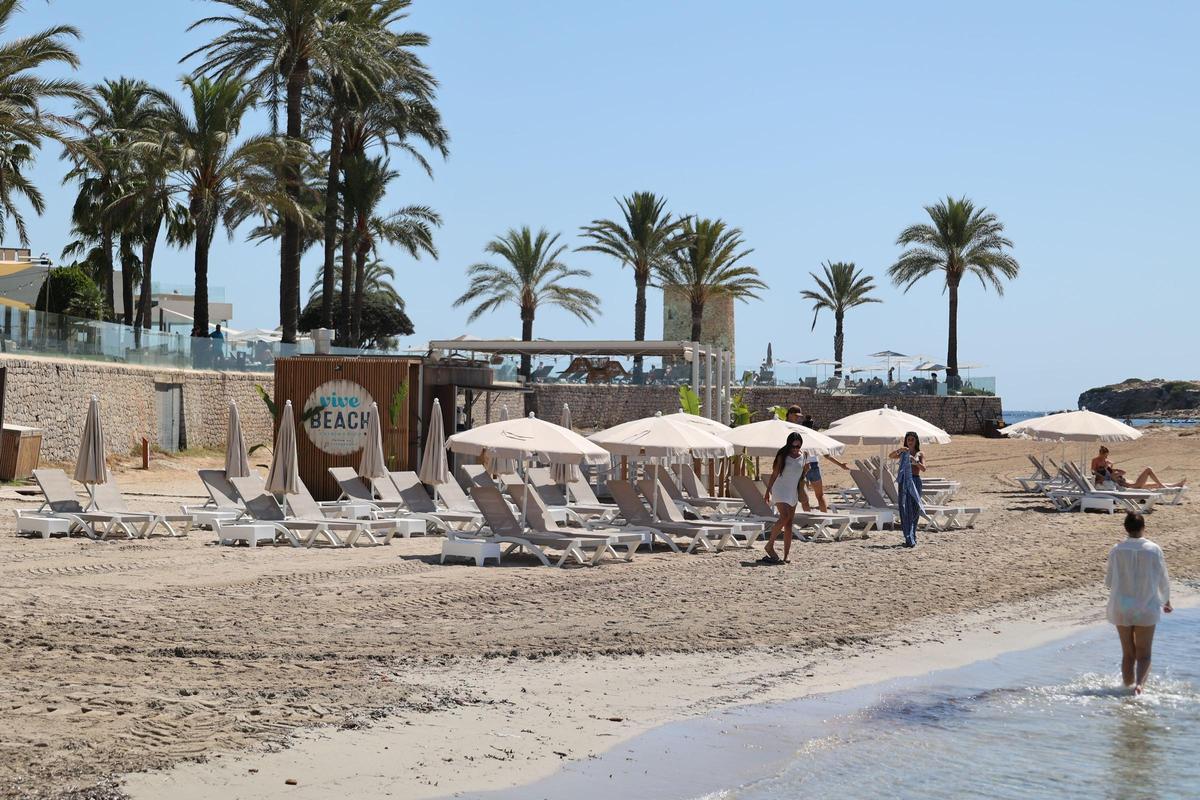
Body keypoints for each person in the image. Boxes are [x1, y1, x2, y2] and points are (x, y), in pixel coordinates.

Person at [1106, 512, 1172, 694]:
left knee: (1128, 654)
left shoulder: (1117, 549)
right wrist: (1166, 600)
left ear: (1126, 529)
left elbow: (1109, 581)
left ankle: (1126, 690)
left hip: (1122, 607)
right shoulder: (1154, 549)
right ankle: (1139, 686)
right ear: (1144, 527)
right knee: (1144, 654)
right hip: (1146, 606)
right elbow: (1162, 578)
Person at [763, 433, 806, 563]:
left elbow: (801, 475)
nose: (795, 449)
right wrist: (767, 491)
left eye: (798, 446)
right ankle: (769, 545)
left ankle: (786, 556)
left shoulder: (804, 456)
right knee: (785, 516)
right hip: (780, 489)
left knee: (789, 524)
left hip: (793, 491)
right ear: (788, 444)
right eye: (793, 446)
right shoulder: (783, 456)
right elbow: (775, 473)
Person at [889, 431, 926, 547]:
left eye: (912, 440)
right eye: (908, 439)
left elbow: (924, 468)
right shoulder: (904, 453)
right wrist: (900, 450)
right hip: (904, 482)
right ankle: (908, 537)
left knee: (915, 509)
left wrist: (915, 462)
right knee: (904, 510)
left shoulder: (920, 454)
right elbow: (891, 456)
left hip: (915, 481)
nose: (910, 442)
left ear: (916, 441)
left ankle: (913, 534)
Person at [1091, 446, 1186, 490]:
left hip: (1132, 483)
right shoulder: (1109, 476)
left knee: (1154, 484)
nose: (1106, 458)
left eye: (1107, 456)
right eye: (1105, 456)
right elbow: (1093, 471)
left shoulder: (1110, 471)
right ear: (1101, 454)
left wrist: (1112, 466)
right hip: (1132, 485)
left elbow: (1124, 472)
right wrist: (1106, 472)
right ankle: (1163, 485)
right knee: (1148, 469)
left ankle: (1176, 485)